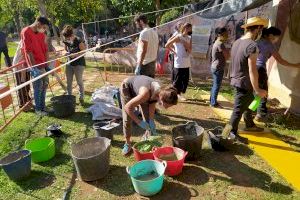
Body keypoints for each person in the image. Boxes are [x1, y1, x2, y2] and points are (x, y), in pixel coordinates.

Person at [224, 17, 269, 144]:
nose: (261, 31)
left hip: (236, 80)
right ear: (258, 29)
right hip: (244, 83)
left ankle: (248, 124)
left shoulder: (237, 42)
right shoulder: (252, 45)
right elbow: (252, 70)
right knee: (237, 112)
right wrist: (257, 89)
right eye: (261, 29)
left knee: (247, 103)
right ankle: (227, 135)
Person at [120, 75, 178, 156]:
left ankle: (147, 138)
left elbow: (151, 103)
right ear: (162, 99)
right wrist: (139, 121)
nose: (167, 108)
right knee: (127, 118)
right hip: (127, 87)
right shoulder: (145, 94)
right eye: (168, 105)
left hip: (142, 91)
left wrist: (150, 120)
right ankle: (127, 143)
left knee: (148, 119)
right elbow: (127, 108)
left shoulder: (160, 91)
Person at [255, 27, 300, 121]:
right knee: (263, 93)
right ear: (271, 35)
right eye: (277, 37)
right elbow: (280, 60)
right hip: (260, 70)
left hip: (252, 68)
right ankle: (260, 114)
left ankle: (251, 111)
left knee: (255, 91)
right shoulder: (269, 45)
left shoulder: (257, 41)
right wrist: (295, 65)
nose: (277, 39)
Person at [21, 16, 50, 116]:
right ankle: (38, 109)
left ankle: (43, 106)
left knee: (45, 85)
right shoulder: (26, 31)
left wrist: (46, 64)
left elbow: (45, 49)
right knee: (38, 87)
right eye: (44, 27)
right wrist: (34, 68)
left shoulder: (41, 34)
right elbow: (28, 51)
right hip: (35, 66)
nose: (44, 30)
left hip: (43, 65)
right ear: (38, 24)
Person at [165, 23, 192, 101]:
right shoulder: (178, 37)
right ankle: (176, 95)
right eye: (189, 28)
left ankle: (176, 93)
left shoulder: (189, 37)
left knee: (185, 80)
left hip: (186, 62)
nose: (190, 30)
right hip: (179, 62)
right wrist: (174, 52)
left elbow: (190, 50)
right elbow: (167, 45)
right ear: (185, 28)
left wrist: (186, 45)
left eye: (190, 29)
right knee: (177, 80)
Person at [62, 25, 86, 105]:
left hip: (79, 64)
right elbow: (65, 50)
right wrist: (65, 53)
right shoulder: (66, 41)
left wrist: (75, 55)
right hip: (69, 64)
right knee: (69, 82)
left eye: (68, 38)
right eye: (66, 39)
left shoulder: (78, 40)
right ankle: (69, 98)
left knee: (79, 81)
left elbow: (83, 52)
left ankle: (81, 97)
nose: (67, 40)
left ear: (72, 35)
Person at [209, 27, 230, 107]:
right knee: (217, 85)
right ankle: (213, 103)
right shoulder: (220, 44)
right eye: (225, 34)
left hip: (215, 67)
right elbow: (227, 56)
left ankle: (212, 100)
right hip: (218, 67)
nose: (227, 35)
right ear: (220, 35)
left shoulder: (217, 42)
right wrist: (228, 51)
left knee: (215, 84)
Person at [134, 14, 159, 78]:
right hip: (152, 64)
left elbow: (144, 50)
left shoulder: (144, 32)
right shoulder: (154, 32)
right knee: (149, 86)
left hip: (145, 65)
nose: (136, 25)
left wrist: (139, 65)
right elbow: (157, 48)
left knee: (142, 87)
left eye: (137, 23)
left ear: (141, 21)